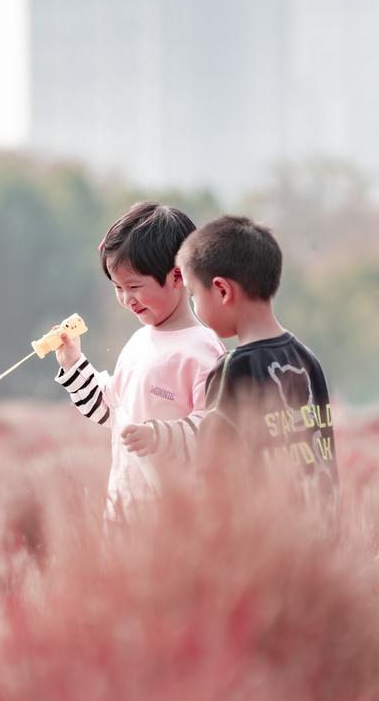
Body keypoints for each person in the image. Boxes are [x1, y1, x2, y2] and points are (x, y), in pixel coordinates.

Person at [53, 201, 225, 521]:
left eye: (133, 286)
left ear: (178, 277)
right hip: (124, 516)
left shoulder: (201, 351)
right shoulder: (137, 343)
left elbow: (216, 432)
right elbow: (111, 410)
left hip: (176, 523)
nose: (126, 299)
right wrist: (74, 363)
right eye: (118, 288)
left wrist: (159, 435)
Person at [176, 215, 338, 501]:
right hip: (319, 538)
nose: (194, 305)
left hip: (262, 539)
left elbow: (211, 473)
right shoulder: (308, 359)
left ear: (222, 290)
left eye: (192, 294)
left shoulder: (233, 370)